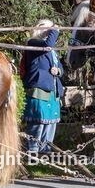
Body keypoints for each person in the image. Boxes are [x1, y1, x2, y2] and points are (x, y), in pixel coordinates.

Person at [21, 19, 65, 154]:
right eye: (48, 28)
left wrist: (58, 71)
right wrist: (55, 30)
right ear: (39, 28)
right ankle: (33, 151)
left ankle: (45, 150)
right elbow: (47, 45)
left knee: (51, 122)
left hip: (53, 89)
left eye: (51, 29)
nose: (50, 31)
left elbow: (61, 68)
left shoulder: (52, 51)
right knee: (38, 121)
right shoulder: (33, 43)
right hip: (39, 88)